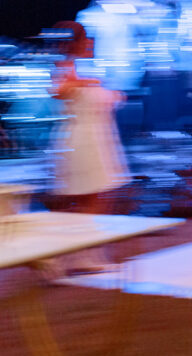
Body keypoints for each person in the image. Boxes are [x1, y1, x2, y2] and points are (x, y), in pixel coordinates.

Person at [50, 21, 130, 275]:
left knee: (95, 199)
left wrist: (110, 94)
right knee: (89, 199)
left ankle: (79, 254)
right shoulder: (66, 68)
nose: (92, 43)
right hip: (83, 141)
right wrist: (86, 83)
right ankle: (75, 255)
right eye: (87, 39)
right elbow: (59, 91)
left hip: (97, 138)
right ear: (77, 42)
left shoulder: (84, 68)